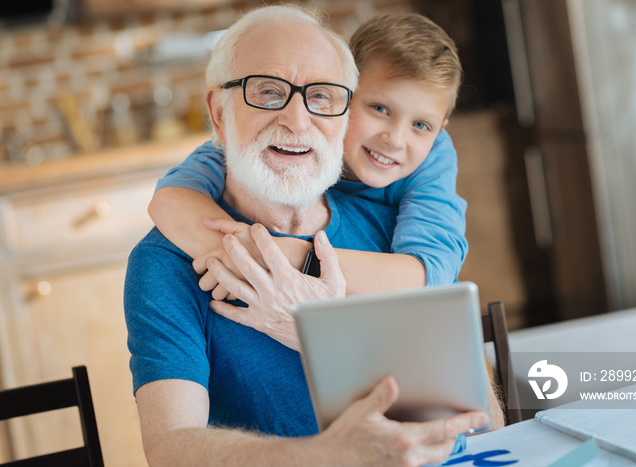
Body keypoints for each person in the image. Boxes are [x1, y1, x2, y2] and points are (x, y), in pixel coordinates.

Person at [124, 5, 500, 467]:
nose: (297, 121)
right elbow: (170, 450)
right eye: (268, 92)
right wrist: (329, 456)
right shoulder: (167, 260)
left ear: (340, 112)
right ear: (218, 113)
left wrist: (324, 328)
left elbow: (485, 422)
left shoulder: (394, 225)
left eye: (321, 97)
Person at [147, 12, 468, 303]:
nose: (396, 139)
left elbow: (429, 274)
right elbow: (171, 200)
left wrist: (285, 254)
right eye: (380, 109)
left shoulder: (431, 157)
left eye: (421, 125)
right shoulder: (269, 141)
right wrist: (237, 261)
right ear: (340, 95)